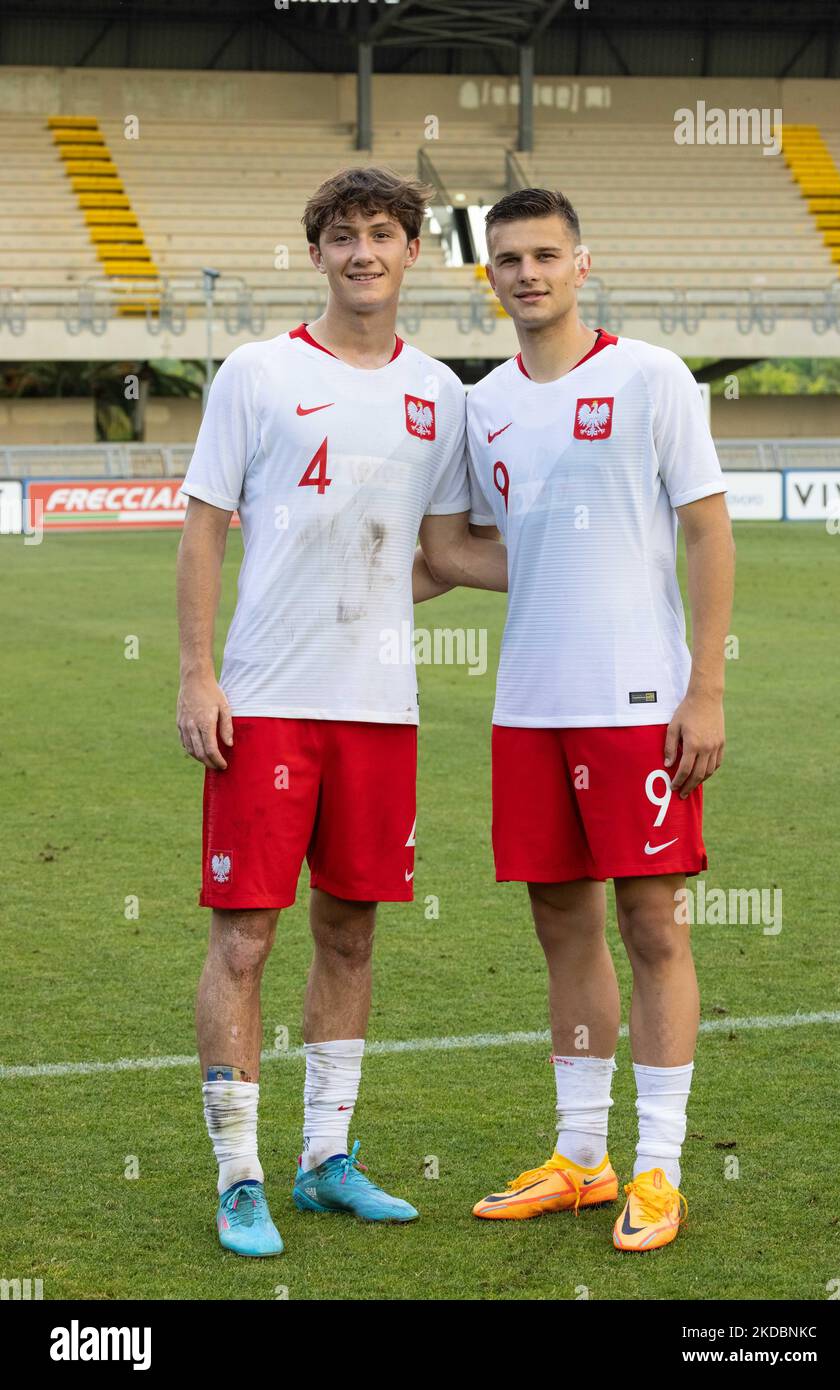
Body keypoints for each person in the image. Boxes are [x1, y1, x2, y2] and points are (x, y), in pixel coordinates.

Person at [176, 166, 506, 1256]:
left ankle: (326, 1159)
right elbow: (206, 526)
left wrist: (581, 546)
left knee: (352, 933)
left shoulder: (443, 396)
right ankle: (239, 1175)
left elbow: (446, 551)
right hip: (265, 702)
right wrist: (194, 673)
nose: (364, 252)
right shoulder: (257, 374)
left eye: (384, 234)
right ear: (316, 252)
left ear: (414, 252)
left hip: (379, 708)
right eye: (344, 235)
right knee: (246, 936)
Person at [464, 188, 734, 1251]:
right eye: (508, 259)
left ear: (583, 264)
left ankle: (660, 1170)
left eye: (544, 254)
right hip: (529, 706)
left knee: (654, 926)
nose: (527, 272)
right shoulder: (481, 402)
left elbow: (708, 533)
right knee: (561, 927)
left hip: (636, 707)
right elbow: (471, 548)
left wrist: (703, 687)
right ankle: (583, 1155)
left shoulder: (650, 377)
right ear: (488, 277)